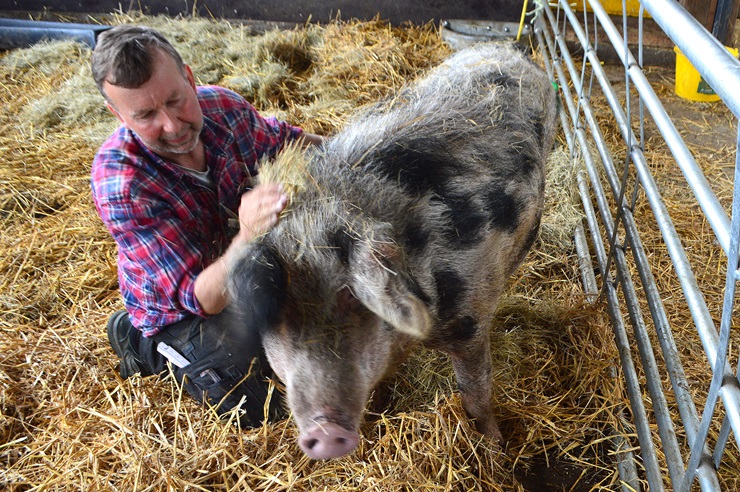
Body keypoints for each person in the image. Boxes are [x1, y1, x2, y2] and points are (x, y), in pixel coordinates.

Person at [90, 24, 323, 427]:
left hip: (234, 261)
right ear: (118, 115)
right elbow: (203, 299)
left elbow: (291, 143)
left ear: (190, 78)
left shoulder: (223, 110)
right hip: (183, 306)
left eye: (176, 100)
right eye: (145, 115)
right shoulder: (122, 184)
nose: (172, 125)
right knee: (256, 401)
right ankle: (139, 341)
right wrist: (249, 235)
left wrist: (365, 152)